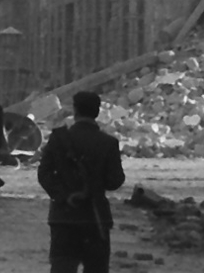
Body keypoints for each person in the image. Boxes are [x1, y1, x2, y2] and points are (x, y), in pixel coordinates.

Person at [38, 90, 126, 273]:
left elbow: (44, 174)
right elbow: (115, 181)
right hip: (95, 218)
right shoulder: (108, 143)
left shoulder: (58, 139)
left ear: (75, 111)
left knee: (62, 267)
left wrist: (63, 195)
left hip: (64, 216)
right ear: (97, 112)